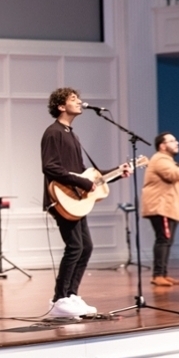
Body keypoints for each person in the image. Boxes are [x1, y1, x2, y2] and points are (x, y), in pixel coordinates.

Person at [41, 87, 130, 318]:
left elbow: (85, 173)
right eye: (73, 99)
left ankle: (71, 295)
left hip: (75, 198)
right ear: (61, 106)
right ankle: (59, 299)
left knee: (85, 247)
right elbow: (50, 167)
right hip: (61, 198)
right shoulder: (53, 132)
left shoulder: (72, 134)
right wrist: (80, 182)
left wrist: (118, 172)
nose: (80, 102)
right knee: (75, 247)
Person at [141, 133, 179, 287]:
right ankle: (158, 275)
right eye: (172, 141)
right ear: (162, 145)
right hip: (161, 206)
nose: (177, 142)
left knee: (167, 241)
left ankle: (163, 274)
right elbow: (174, 175)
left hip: (167, 206)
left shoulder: (166, 160)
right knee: (163, 240)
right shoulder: (160, 159)